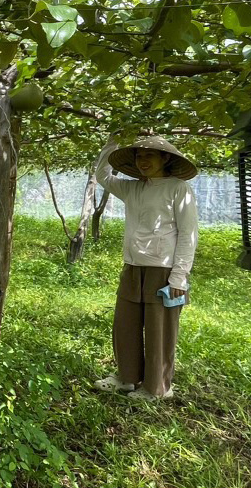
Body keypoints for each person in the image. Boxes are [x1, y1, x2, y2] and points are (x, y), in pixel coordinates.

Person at [92, 136, 199, 401]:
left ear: (165, 159)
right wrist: (112, 142)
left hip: (162, 270)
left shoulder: (178, 188)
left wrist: (179, 277)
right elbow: (102, 175)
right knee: (125, 324)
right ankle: (126, 377)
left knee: (159, 330)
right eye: (139, 157)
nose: (143, 162)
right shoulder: (133, 189)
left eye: (150, 156)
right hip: (132, 267)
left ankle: (156, 387)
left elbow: (188, 233)